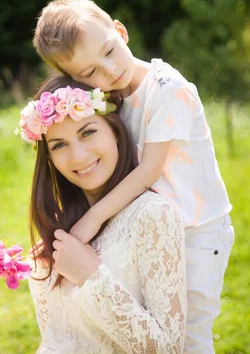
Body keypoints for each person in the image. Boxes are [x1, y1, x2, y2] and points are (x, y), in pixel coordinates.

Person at [33, 0, 235, 353]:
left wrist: (93, 219)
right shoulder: (112, 97)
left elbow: (147, 171)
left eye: (109, 52)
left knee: (188, 334)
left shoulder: (168, 89)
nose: (108, 72)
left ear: (120, 31)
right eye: (90, 73)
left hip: (196, 229)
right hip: (146, 225)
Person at [20, 75, 187, 353]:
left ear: (115, 131)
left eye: (88, 133)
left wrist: (91, 277)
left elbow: (167, 349)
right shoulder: (65, 229)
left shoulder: (152, 216)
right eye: (59, 145)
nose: (78, 156)